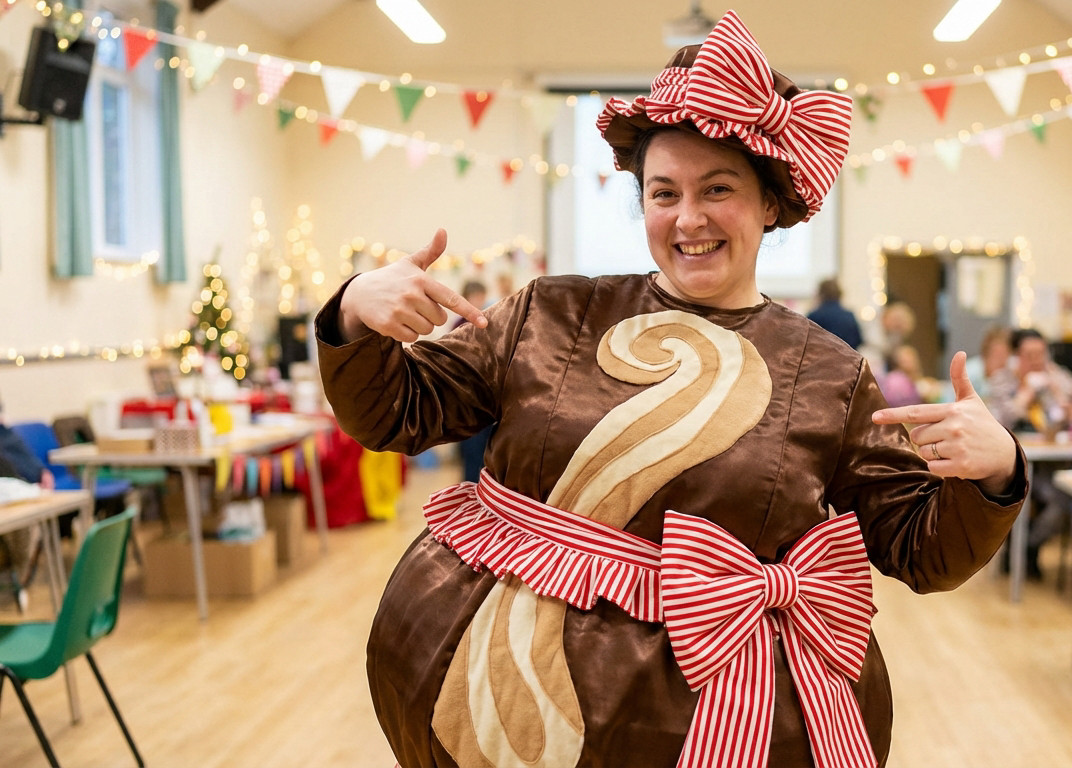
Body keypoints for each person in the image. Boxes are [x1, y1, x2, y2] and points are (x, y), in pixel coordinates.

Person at [314, 12, 1025, 768]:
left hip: (717, 726)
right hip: (492, 711)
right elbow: (397, 412)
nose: (689, 218)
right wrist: (356, 313)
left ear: (770, 205)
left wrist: (995, 472)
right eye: (664, 193)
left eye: (717, 188)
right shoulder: (548, 312)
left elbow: (920, 549)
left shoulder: (830, 371)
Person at [986, 327, 1072, 579]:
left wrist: (1058, 395)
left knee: (1064, 497)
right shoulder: (1002, 380)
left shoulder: (1059, 377)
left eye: (1041, 354)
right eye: (1029, 354)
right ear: (1016, 356)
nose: (1036, 361)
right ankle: (1020, 551)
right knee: (1014, 494)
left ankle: (1027, 546)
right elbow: (998, 420)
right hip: (1013, 464)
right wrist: (1025, 395)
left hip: (1052, 465)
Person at [453, 280, 495, 483]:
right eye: (477, 297)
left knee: (485, 450)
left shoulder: (488, 322)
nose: (480, 301)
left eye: (482, 297)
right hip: (466, 396)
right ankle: (470, 489)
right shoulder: (459, 325)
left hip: (486, 395)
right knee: (471, 450)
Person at [806, 277, 863, 349]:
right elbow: (858, 341)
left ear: (821, 294)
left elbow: (805, 344)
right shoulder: (849, 315)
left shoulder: (814, 316)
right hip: (847, 359)